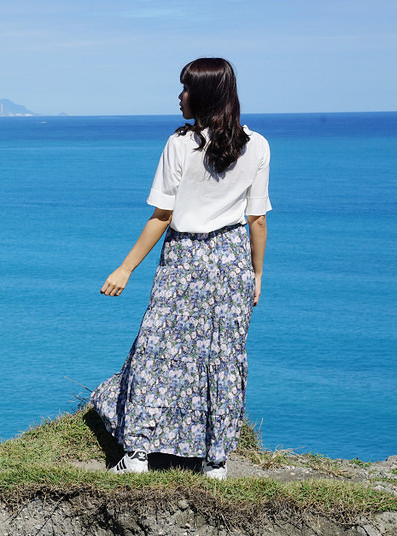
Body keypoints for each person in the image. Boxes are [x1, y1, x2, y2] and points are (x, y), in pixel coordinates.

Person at [89, 58, 270, 481]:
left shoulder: (180, 144)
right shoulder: (257, 145)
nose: (179, 96)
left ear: (203, 96)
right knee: (222, 357)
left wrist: (125, 267)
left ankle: (137, 453)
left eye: (186, 88)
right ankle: (215, 460)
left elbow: (162, 216)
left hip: (185, 259)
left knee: (157, 350)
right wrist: (257, 275)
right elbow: (256, 220)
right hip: (231, 261)